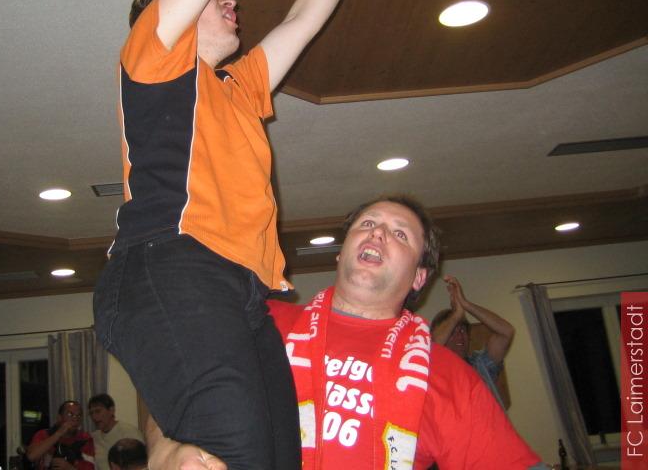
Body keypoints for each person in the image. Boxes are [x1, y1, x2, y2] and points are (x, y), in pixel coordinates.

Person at [93, 0, 403, 469]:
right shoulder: (155, 59)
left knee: (282, 458)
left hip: (240, 289)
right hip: (171, 264)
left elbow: (302, 21)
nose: (231, 1)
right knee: (234, 455)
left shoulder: (237, 88)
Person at [147, 195, 549, 470]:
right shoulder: (258, 321)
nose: (377, 233)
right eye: (368, 224)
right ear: (341, 252)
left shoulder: (450, 378)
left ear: (419, 277)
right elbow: (171, 389)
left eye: (400, 233)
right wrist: (165, 452)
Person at [431, 274, 515, 408]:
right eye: (453, 331)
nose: (460, 335)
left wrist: (465, 304)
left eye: (463, 330)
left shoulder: (480, 365)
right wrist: (456, 315)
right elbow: (431, 351)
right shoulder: (433, 372)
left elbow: (506, 332)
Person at [26, 400, 95, 470]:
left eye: (79, 415)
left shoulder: (85, 439)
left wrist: (69, 468)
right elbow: (31, 456)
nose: (75, 419)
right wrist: (59, 433)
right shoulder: (44, 434)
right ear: (59, 417)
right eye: (70, 414)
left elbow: (90, 467)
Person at [88, 394, 144, 470]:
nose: (94, 417)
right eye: (91, 413)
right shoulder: (93, 437)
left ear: (111, 410)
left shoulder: (129, 432)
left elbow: (140, 463)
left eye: (98, 411)